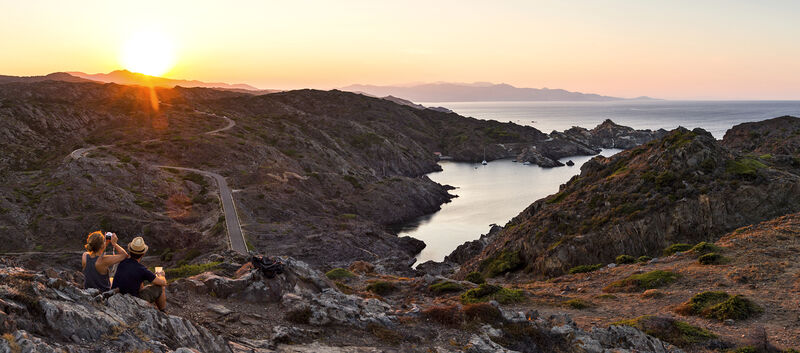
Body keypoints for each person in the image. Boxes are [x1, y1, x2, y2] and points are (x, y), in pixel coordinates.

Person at [112, 237, 168, 311]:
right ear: (143, 254)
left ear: (130, 251)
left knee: (140, 283)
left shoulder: (123, 261)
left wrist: (114, 244)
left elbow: (124, 253)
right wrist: (161, 275)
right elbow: (163, 283)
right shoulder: (142, 270)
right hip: (132, 301)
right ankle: (163, 312)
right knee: (160, 288)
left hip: (115, 297)